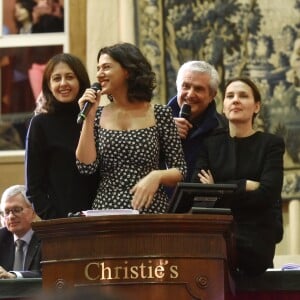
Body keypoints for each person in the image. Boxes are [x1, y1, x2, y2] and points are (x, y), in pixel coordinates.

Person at [76, 42, 187, 213]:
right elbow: (86, 166)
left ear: (127, 71)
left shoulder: (160, 113)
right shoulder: (96, 114)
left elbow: (180, 170)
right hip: (107, 211)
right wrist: (89, 118)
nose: (99, 74)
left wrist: (156, 176)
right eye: (98, 68)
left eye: (106, 67)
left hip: (150, 209)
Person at [192, 77, 285, 276]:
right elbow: (198, 193)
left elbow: (268, 194)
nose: (235, 100)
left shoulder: (271, 145)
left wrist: (218, 188)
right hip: (216, 239)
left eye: (243, 96)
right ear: (223, 107)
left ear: (256, 106)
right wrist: (244, 185)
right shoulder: (210, 145)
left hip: (256, 241)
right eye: (230, 96)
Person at [25, 53, 99, 219]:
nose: (63, 83)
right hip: (61, 223)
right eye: (56, 78)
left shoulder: (96, 117)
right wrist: (57, 220)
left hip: (100, 216)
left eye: (70, 77)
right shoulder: (40, 124)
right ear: (48, 85)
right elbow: (34, 188)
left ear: (81, 81)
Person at [167, 60, 227, 182]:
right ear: (178, 87)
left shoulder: (223, 128)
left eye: (198, 89)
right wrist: (164, 131)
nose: (190, 94)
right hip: (159, 198)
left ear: (212, 95)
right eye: (186, 86)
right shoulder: (154, 121)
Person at [0, 185, 41, 279]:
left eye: (17, 210)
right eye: (6, 212)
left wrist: (15, 276)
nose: (11, 217)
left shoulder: (47, 238)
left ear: (33, 211)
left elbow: (47, 273)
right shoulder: (1, 237)